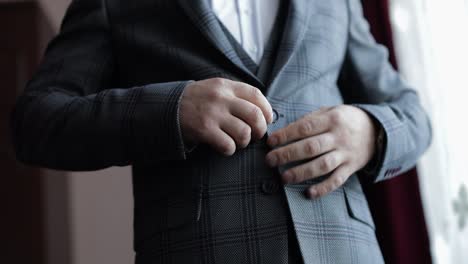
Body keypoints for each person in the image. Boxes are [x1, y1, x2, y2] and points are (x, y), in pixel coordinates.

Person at [10, 0, 432, 263]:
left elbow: (413, 114)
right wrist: (172, 110)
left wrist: (371, 131)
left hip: (346, 253)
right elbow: (36, 121)